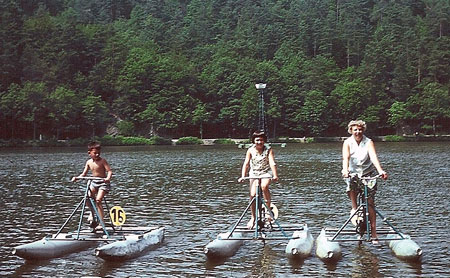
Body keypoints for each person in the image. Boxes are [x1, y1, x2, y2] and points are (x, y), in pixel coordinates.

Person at [341, 120, 388, 245]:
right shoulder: (347, 143)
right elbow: (346, 158)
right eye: (355, 130)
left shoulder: (368, 142)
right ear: (351, 130)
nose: (358, 132)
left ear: (363, 130)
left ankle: (373, 233)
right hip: (353, 174)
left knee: (370, 204)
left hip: (368, 174)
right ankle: (354, 208)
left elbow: (373, 157)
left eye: (360, 129)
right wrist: (345, 170)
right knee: (352, 187)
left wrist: (381, 170)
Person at [238, 131, 279, 229]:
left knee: (264, 186)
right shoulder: (250, 150)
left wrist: (275, 175)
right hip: (254, 173)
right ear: (254, 141)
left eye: (261, 140)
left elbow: (272, 163)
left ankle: (268, 212)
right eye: (257, 140)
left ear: (264, 141)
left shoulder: (269, 150)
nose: (259, 142)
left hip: (265, 172)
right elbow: (246, 163)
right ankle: (253, 217)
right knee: (252, 195)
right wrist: (243, 176)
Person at [72, 141, 112, 230]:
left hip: (103, 183)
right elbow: (84, 174)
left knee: (98, 200)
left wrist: (108, 178)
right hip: (94, 183)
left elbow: (109, 171)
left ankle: (101, 223)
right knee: (87, 198)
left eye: (99, 153)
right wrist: (77, 178)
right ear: (89, 153)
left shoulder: (102, 161)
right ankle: (93, 214)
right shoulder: (89, 162)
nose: (97, 155)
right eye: (95, 153)